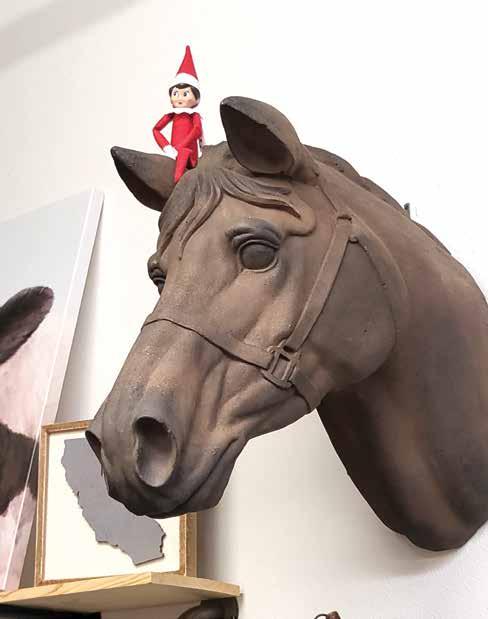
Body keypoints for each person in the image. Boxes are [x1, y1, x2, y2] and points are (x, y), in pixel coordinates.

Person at [152, 46, 203, 182]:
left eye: (185, 94)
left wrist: (182, 146)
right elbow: (156, 129)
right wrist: (166, 147)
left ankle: (178, 181)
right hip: (173, 152)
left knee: (182, 160)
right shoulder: (171, 114)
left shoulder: (193, 115)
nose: (179, 98)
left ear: (196, 97)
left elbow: (197, 130)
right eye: (175, 93)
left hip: (188, 152)